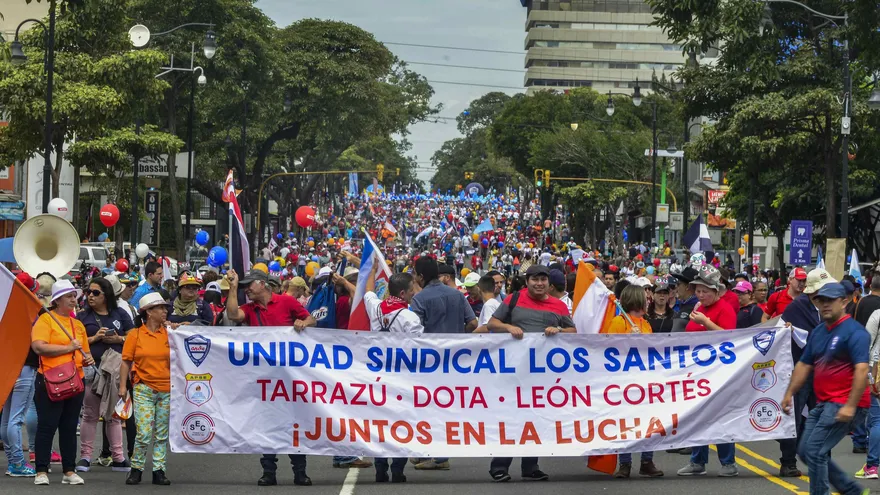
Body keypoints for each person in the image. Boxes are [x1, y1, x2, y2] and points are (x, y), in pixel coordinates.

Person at [225, 268, 317, 486]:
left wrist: (303, 323)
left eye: (250, 285)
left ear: (262, 284)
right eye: (244, 286)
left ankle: (300, 472)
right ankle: (268, 471)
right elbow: (232, 314)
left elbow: (311, 318)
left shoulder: (286, 302)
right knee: (266, 424)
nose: (247, 289)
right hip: (263, 378)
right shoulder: (250, 308)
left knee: (294, 424)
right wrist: (233, 287)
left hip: (289, 377)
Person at [486, 264, 575, 482]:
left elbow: (573, 331)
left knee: (535, 419)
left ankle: (530, 465)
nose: (539, 283)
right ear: (527, 282)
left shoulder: (559, 306)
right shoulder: (513, 299)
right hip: (512, 373)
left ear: (549, 283)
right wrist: (508, 328)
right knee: (510, 419)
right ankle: (499, 466)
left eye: (543, 280)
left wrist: (560, 330)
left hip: (542, 375)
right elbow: (492, 324)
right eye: (534, 279)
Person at [782, 283, 871, 495]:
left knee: (814, 451)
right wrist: (788, 394)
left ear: (844, 302)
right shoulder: (819, 332)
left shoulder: (855, 333)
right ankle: (851, 491)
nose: (825, 305)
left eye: (830, 300)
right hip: (825, 403)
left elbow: (861, 370)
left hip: (847, 403)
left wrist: (850, 406)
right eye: (821, 301)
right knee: (804, 450)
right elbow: (804, 364)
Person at [31, 280, 96, 486]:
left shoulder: (77, 325)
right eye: (69, 296)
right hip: (49, 379)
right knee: (47, 426)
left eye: (74, 296)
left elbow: (84, 352)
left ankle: (69, 470)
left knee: (69, 427)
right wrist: (68, 348)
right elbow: (39, 347)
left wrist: (88, 359)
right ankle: (41, 470)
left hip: (75, 380)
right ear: (57, 300)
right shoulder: (46, 320)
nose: (73, 299)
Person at [678, 264, 738, 477]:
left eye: (705, 291)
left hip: (719, 372)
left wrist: (706, 322)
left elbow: (730, 338)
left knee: (720, 416)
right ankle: (698, 461)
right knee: (698, 416)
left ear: (716, 291)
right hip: (698, 373)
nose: (700, 295)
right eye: (698, 290)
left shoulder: (724, 309)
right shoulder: (698, 308)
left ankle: (728, 462)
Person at [603, 285, 664, 478]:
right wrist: (629, 339)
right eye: (644, 298)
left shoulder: (645, 324)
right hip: (624, 381)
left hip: (645, 380)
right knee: (626, 422)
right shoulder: (619, 322)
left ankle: (647, 461)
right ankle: (625, 463)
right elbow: (608, 349)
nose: (648, 300)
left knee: (648, 422)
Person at [76, 277, 133, 473]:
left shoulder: (121, 313)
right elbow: (76, 343)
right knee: (90, 414)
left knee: (114, 416)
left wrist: (119, 338)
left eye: (96, 293)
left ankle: (118, 457)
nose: (90, 296)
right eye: (88, 292)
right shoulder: (82, 317)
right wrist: (95, 338)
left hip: (116, 371)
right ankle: (85, 457)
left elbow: (134, 338)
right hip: (92, 370)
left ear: (106, 295)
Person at [119, 293, 173, 486]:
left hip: (166, 389)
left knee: (161, 433)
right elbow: (126, 362)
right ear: (149, 312)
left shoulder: (169, 333)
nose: (165, 311)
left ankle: (159, 470)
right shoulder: (135, 335)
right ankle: (137, 468)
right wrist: (122, 386)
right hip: (143, 388)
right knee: (143, 433)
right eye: (161, 308)